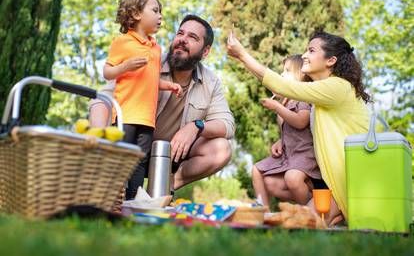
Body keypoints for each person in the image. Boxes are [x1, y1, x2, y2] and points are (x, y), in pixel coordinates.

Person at [227, 30, 370, 225]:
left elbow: (281, 86)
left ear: (330, 61)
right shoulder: (325, 95)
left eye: (311, 51)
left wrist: (242, 55)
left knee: (302, 225)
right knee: (272, 183)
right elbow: (313, 129)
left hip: (346, 184)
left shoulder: (337, 87)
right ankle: (324, 212)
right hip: (329, 183)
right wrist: (282, 139)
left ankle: (335, 214)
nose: (304, 55)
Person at [90, 14, 235, 199]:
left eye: (192, 37)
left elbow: (227, 125)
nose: (182, 40)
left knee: (222, 148)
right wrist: (99, 137)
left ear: (205, 52)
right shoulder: (147, 60)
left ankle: (163, 188)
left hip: (170, 157)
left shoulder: (211, 81)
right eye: (180, 33)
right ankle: (114, 192)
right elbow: (102, 98)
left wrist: (197, 126)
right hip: (130, 146)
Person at [102, 0, 183, 200]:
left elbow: (151, 80)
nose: (160, 16)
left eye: (160, 12)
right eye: (155, 11)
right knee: (121, 160)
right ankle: (110, 201)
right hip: (125, 115)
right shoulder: (123, 42)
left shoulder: (156, 48)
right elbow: (107, 72)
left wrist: (168, 86)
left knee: (139, 162)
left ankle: (132, 203)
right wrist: (125, 66)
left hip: (147, 119)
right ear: (137, 13)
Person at [252, 55, 321, 207]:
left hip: (303, 153)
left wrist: (277, 107)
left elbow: (301, 122)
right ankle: (263, 212)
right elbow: (289, 129)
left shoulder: (302, 97)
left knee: (292, 178)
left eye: (287, 71)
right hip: (289, 153)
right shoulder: (286, 100)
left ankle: (309, 212)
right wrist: (280, 140)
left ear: (301, 75)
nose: (282, 75)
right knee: (260, 173)